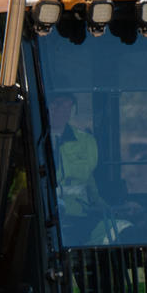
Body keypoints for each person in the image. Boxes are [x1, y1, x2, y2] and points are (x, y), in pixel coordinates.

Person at [45, 92, 99, 220]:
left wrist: (112, 209)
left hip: (80, 216)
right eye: (56, 104)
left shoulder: (87, 141)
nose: (61, 109)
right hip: (46, 217)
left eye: (67, 104)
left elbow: (91, 185)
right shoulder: (32, 141)